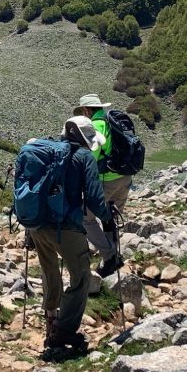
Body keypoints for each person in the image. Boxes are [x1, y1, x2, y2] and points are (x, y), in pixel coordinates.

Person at [27, 116, 113, 358]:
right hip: (65, 227)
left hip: (37, 225)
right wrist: (108, 215)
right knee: (81, 275)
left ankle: (51, 320)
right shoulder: (84, 157)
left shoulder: (46, 150)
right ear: (85, 139)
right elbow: (95, 199)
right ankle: (64, 331)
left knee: (49, 271)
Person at [76, 94, 131, 277]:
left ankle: (109, 257)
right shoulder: (112, 121)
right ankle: (111, 260)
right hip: (125, 177)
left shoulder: (97, 126)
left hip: (107, 179)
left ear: (87, 110)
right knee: (109, 216)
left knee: (86, 218)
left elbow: (92, 156)